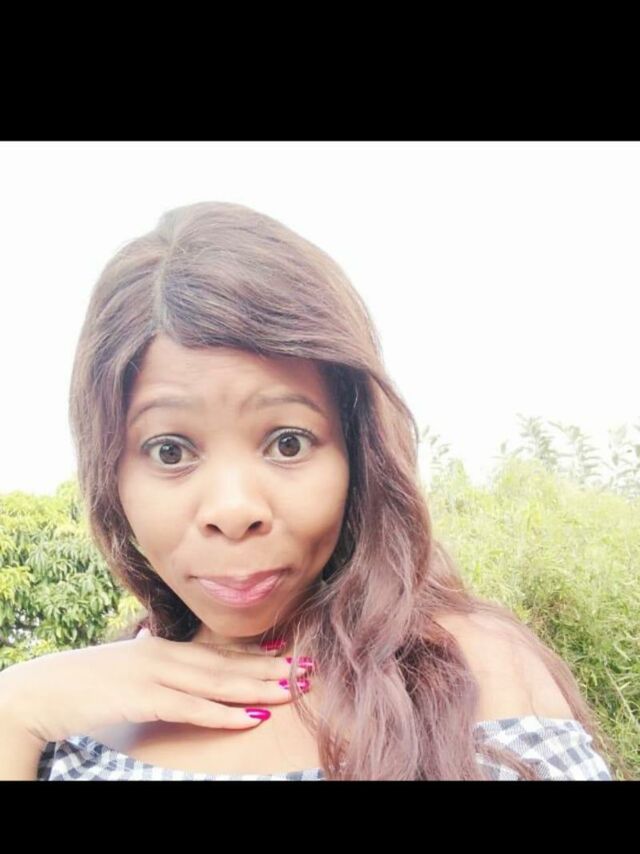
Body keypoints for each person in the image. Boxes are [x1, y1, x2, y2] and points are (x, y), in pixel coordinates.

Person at [0, 201, 625, 781]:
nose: (234, 510)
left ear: (358, 451)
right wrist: (15, 709)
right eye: (171, 451)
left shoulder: (464, 677)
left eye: (288, 442)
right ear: (110, 474)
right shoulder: (65, 720)